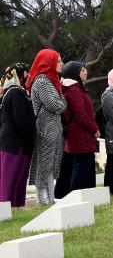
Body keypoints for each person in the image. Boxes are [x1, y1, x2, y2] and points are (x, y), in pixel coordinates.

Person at [27, 49, 67, 205]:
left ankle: (50, 198)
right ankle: (41, 199)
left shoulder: (53, 81)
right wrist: (62, 103)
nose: (61, 64)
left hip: (54, 127)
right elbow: (53, 104)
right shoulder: (42, 81)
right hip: (45, 128)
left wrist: (61, 103)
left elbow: (59, 103)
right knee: (44, 163)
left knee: (51, 164)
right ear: (48, 62)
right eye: (58, 61)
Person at [59, 62, 99, 196]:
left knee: (76, 167)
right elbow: (81, 115)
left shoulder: (75, 88)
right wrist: (95, 129)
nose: (86, 72)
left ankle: (70, 195)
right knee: (81, 167)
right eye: (82, 70)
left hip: (78, 134)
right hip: (80, 134)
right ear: (74, 73)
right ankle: (74, 197)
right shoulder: (74, 90)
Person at [0, 64, 36, 207]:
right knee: (12, 180)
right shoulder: (16, 93)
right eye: (27, 73)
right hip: (16, 144)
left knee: (13, 179)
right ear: (20, 75)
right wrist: (30, 137)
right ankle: (8, 209)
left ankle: (12, 208)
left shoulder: (8, 92)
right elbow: (21, 119)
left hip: (10, 143)